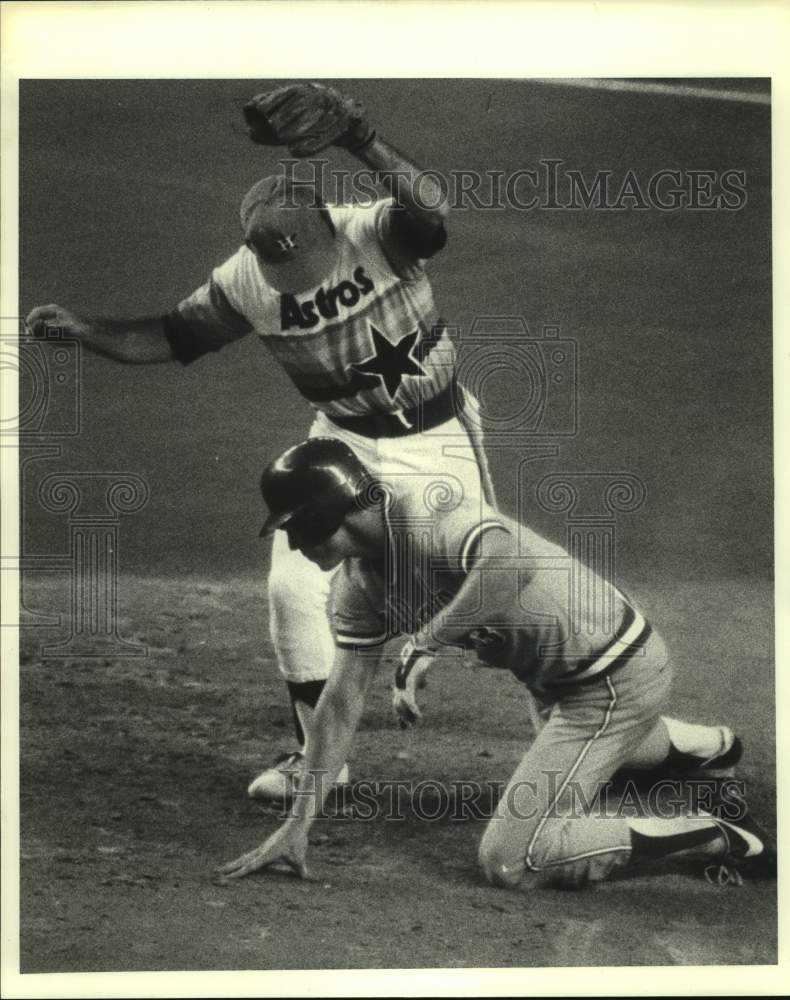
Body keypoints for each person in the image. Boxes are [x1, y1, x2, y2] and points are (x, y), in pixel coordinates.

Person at [25, 82, 494, 801]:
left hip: (436, 435)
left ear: (323, 224)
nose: (293, 277)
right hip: (341, 443)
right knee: (293, 586)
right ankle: (321, 760)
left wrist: (361, 138)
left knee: (482, 601)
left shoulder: (376, 231)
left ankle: (620, 708)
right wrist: (91, 332)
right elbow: (175, 335)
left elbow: (434, 208)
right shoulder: (248, 280)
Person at [219, 437, 773, 889]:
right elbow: (339, 705)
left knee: (514, 859)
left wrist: (425, 643)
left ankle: (714, 832)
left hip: (612, 678)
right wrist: (298, 825)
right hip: (558, 689)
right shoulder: (358, 585)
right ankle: (711, 748)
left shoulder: (430, 511)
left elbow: (508, 563)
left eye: (297, 527)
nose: (293, 545)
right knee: (595, 751)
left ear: (328, 510)